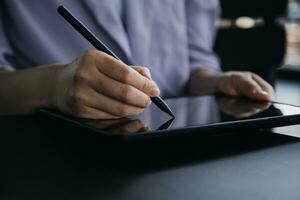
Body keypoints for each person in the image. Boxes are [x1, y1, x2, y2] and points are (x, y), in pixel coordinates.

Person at [0, 0, 274, 119]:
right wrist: (54, 87)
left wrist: (216, 82)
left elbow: (194, 60)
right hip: (48, 151)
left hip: (170, 150)